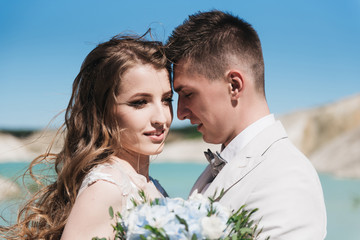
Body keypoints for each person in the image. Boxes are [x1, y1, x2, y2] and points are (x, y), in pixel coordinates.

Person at [166, 10, 327, 239]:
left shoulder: (287, 175)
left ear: (234, 85)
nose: (179, 113)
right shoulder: (220, 166)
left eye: (188, 93)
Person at [1, 32, 173, 240]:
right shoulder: (107, 188)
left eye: (166, 99)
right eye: (139, 102)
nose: (161, 117)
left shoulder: (146, 184)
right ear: (103, 110)